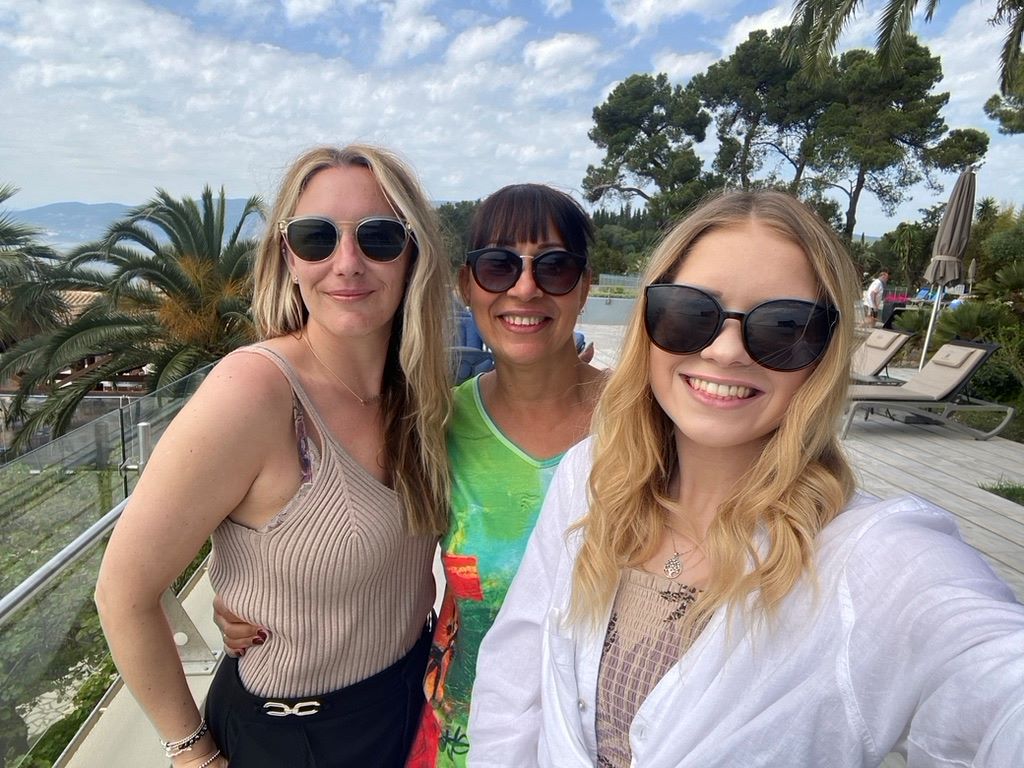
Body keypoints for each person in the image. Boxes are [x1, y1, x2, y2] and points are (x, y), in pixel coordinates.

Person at [468, 190, 1024, 767]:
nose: (727, 350)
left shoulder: (873, 557)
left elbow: (988, 667)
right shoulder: (591, 476)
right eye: (690, 313)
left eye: (784, 326)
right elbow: (517, 675)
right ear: (650, 323)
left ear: (826, 351)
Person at [216, 183, 606, 767]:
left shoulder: (646, 424)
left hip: (608, 736)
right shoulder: (436, 426)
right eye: (498, 266)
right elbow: (379, 549)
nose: (525, 288)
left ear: (585, 287)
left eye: (555, 267)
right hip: (462, 738)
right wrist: (261, 598)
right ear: (465, 285)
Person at [95, 144, 453, 768]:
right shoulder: (256, 393)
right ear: (288, 257)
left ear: (411, 255)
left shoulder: (419, 394)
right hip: (294, 738)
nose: (347, 263)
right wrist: (192, 754)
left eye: (379, 238)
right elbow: (123, 592)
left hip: (410, 704)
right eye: (317, 237)